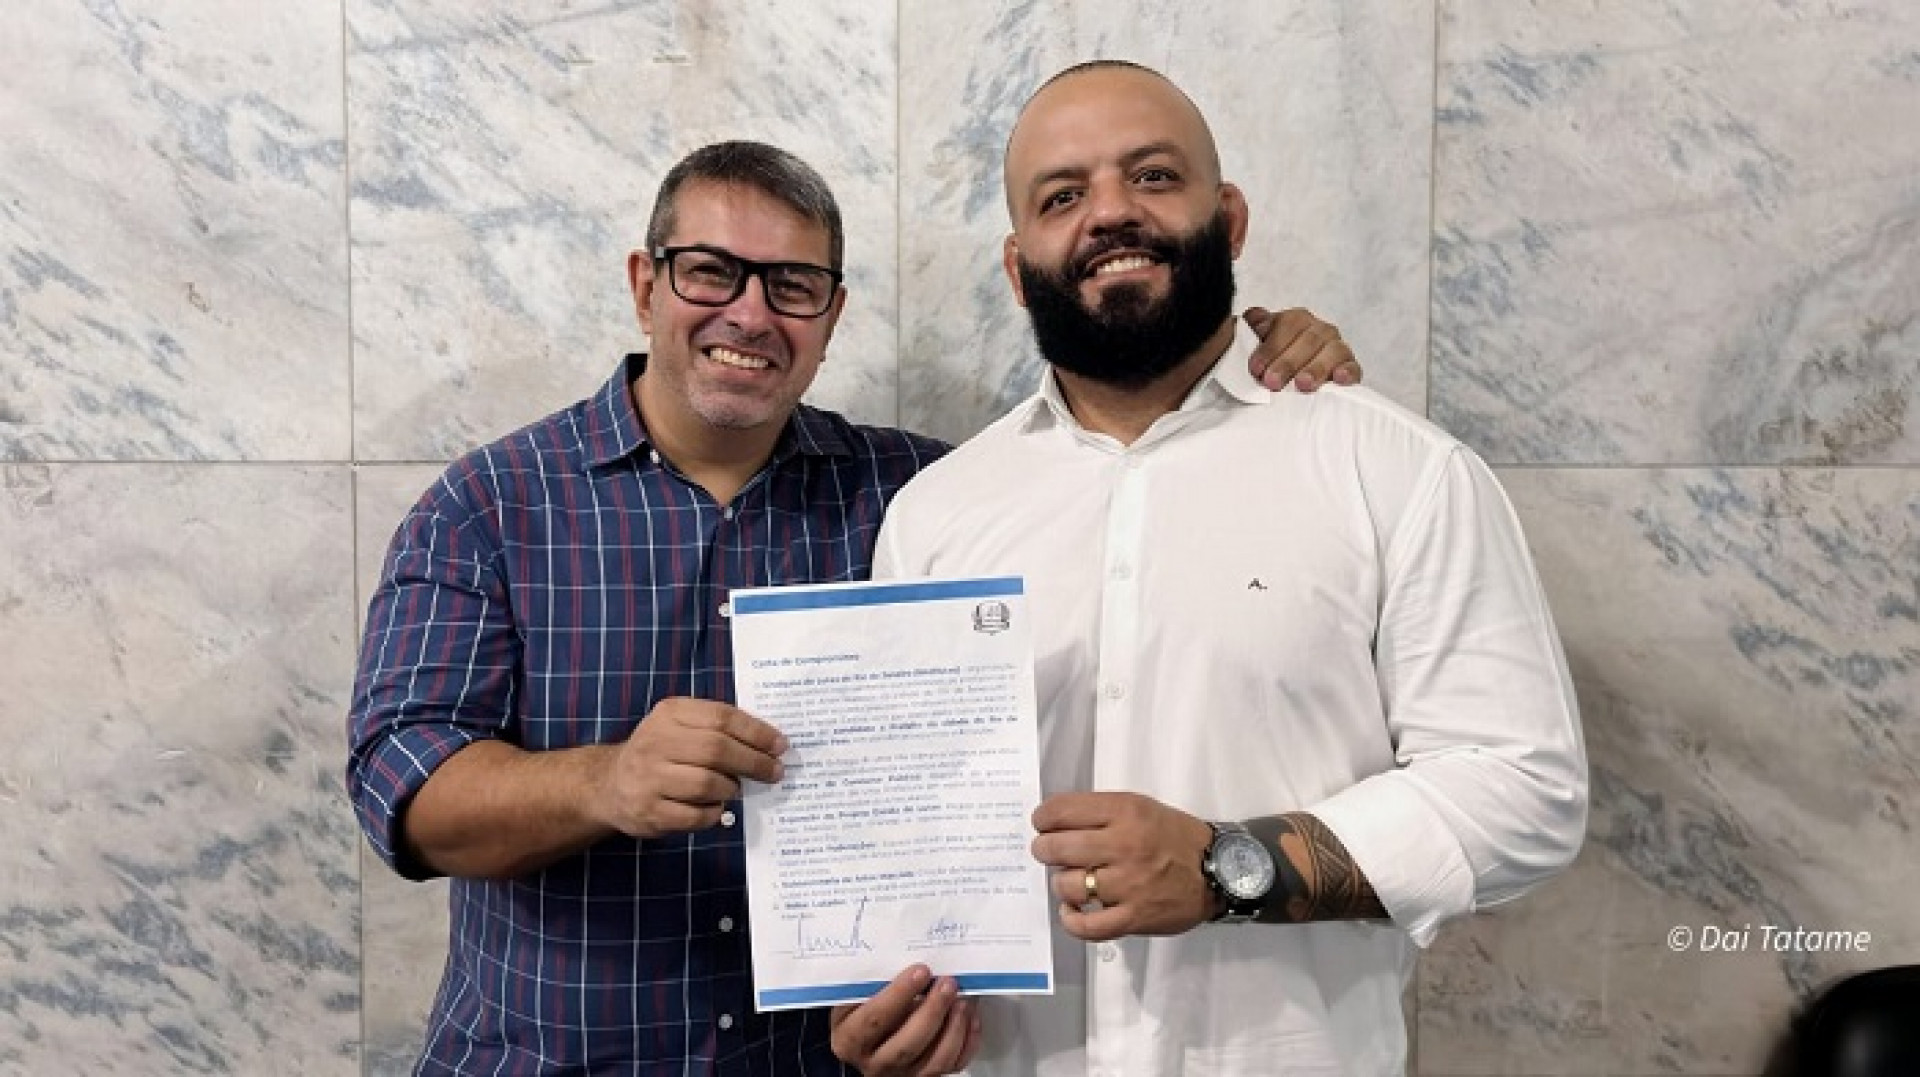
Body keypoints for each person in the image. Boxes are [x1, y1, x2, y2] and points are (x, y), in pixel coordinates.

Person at [346, 138, 1364, 1075]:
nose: (749, 315)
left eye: (792, 286)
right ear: (644, 285)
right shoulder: (489, 505)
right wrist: (604, 784)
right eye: (710, 271)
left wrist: (1254, 353)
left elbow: (1125, 486)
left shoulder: (924, 497)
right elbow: (403, 791)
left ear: (830, 318)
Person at [855, 61, 1589, 1076]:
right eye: (1063, 196)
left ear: (1230, 218)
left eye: (1152, 176)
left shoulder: (1397, 471)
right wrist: (884, 994)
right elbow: (909, 827)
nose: (1110, 212)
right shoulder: (936, 514)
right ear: (1020, 267)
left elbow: (1525, 791)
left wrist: (1223, 867)